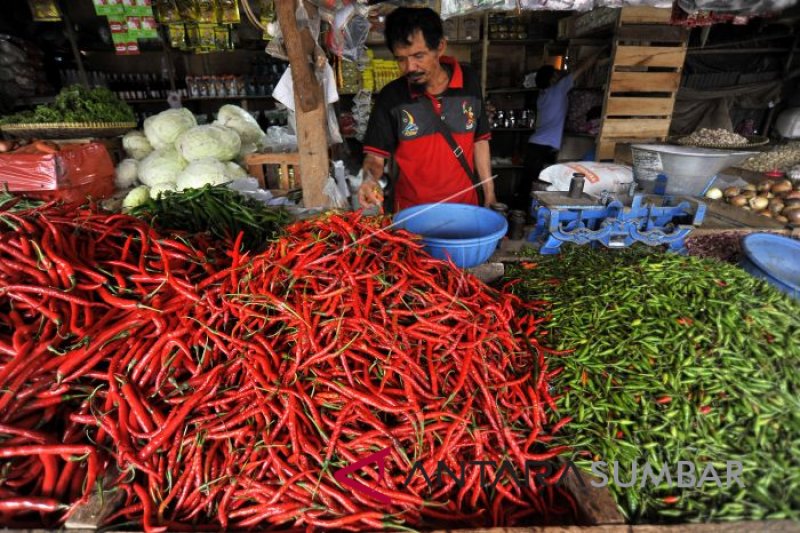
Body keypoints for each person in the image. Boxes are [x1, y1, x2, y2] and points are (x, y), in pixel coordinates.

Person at [357, 7, 496, 212]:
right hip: (411, 214)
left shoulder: (469, 82)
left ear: (440, 47)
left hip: (465, 209)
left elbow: (480, 140)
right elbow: (375, 158)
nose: (410, 67)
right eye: (401, 59)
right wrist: (369, 180)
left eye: (418, 55)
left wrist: (490, 194)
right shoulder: (391, 97)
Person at [521, 51, 604, 208]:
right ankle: (529, 212)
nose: (560, 75)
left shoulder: (543, 94)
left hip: (536, 143)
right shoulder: (558, 90)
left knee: (528, 182)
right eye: (557, 74)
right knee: (540, 184)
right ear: (552, 79)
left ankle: (523, 212)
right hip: (544, 146)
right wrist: (597, 52)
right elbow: (580, 70)